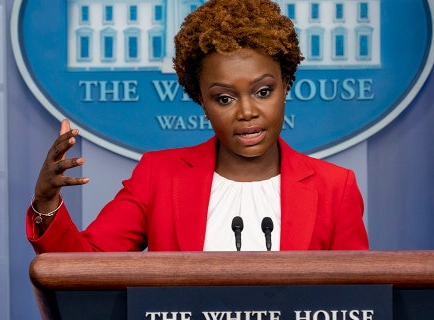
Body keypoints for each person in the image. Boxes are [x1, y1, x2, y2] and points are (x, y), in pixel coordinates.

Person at [26, 0, 369, 253]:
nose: (247, 111)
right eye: (224, 98)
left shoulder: (335, 189)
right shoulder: (158, 176)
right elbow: (86, 269)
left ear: (286, 86)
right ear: (202, 102)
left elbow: (359, 300)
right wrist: (46, 203)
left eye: (263, 91)